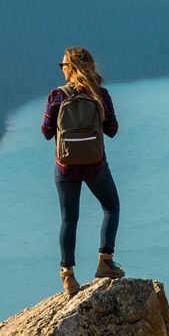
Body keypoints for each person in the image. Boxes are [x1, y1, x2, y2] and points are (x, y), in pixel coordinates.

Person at [42, 46, 125, 298]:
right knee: (111, 207)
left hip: (65, 167)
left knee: (69, 219)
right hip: (95, 165)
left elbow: (46, 132)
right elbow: (112, 130)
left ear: (71, 68)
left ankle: (68, 276)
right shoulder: (101, 94)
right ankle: (105, 261)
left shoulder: (57, 96)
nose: (62, 68)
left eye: (63, 64)